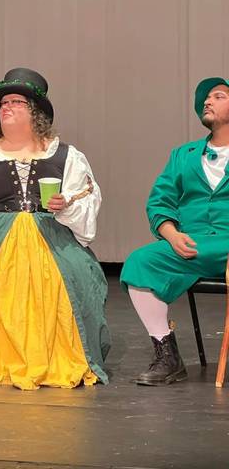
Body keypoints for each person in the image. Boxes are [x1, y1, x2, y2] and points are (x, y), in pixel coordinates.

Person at [0, 67, 110, 390]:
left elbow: (86, 199)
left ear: (36, 112)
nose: (6, 107)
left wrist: (66, 205)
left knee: (79, 271)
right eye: (2, 104)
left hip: (51, 230)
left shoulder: (67, 156)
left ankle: (65, 354)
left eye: (16, 102)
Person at [121, 77, 229, 386]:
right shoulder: (184, 155)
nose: (208, 101)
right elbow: (160, 200)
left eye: (218, 96)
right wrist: (171, 234)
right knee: (140, 262)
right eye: (205, 99)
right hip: (192, 243)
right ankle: (167, 353)